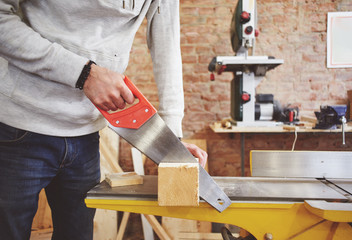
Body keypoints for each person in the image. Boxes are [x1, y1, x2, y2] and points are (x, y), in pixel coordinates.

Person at [0, 1, 207, 239]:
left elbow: (167, 46)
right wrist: (84, 74)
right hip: (20, 127)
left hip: (85, 137)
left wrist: (172, 140)